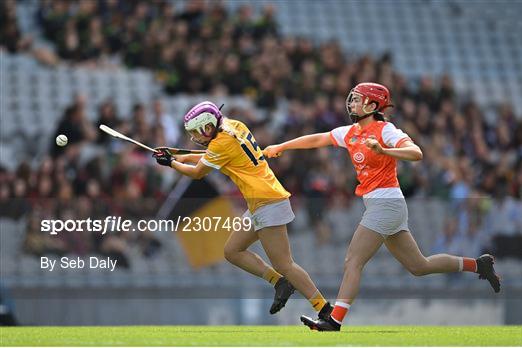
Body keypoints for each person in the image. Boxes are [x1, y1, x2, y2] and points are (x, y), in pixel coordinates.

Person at [263, 82, 501, 331]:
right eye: (353, 99)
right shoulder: (351, 132)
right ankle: (478, 265)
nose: (352, 103)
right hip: (385, 205)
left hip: (385, 204)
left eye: (358, 99)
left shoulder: (385, 130)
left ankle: (334, 320)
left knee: (352, 260)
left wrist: (385, 149)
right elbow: (319, 138)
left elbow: (416, 152)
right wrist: (282, 146)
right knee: (420, 266)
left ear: (373, 105)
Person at [152, 101, 332, 317]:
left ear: (208, 127)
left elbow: (198, 172)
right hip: (260, 201)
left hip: (268, 201)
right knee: (232, 251)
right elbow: (211, 156)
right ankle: (279, 283)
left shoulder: (220, 144)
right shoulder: (234, 126)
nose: (194, 137)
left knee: (285, 263)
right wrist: (177, 156)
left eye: (195, 132)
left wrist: (171, 163)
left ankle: (324, 309)